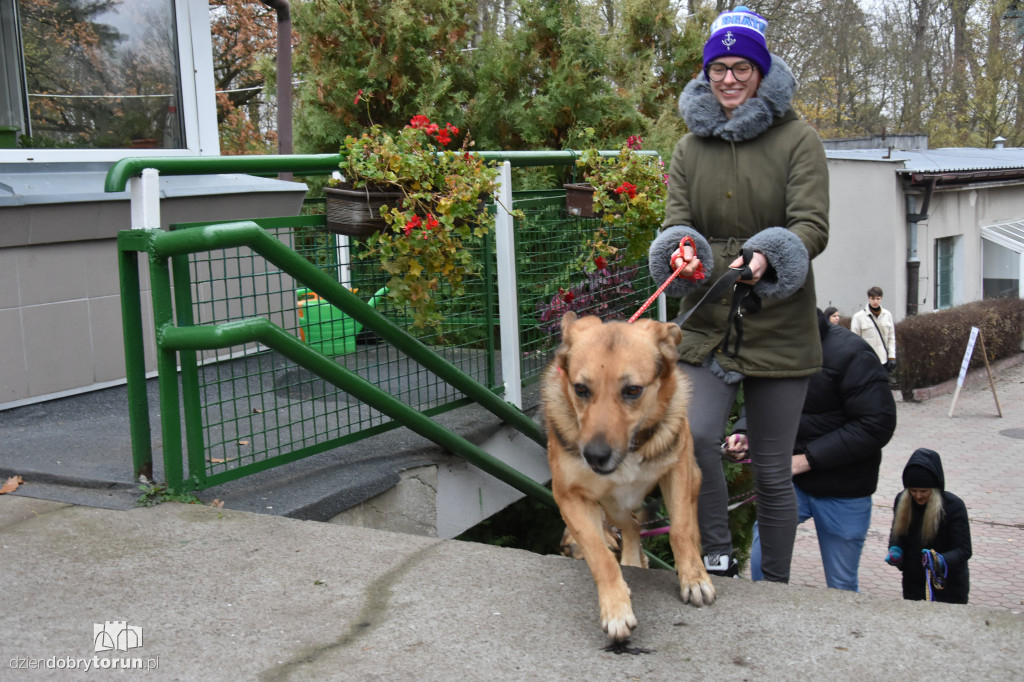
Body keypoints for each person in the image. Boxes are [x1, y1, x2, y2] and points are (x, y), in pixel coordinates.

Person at [648, 6, 829, 581]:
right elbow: (677, 221)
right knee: (694, 436)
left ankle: (774, 580)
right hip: (705, 320)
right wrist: (681, 249)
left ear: (761, 71)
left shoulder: (799, 140)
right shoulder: (687, 148)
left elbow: (811, 225)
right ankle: (716, 553)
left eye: (741, 67)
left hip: (779, 322)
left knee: (774, 470)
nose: (728, 78)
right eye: (718, 68)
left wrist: (767, 254)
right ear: (705, 75)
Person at [736, 309, 897, 590]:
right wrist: (745, 432)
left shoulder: (853, 354)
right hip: (790, 485)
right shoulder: (772, 348)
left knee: (841, 586)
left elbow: (877, 424)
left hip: (844, 489)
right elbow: (760, 398)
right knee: (763, 573)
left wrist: (806, 460)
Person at [886, 448, 972, 603]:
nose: (918, 496)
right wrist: (895, 548)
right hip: (913, 583)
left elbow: (964, 550)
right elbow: (897, 534)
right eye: (913, 490)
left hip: (948, 586)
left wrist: (939, 560)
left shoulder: (954, 506)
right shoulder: (902, 500)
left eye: (924, 491)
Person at [850, 286, 896, 372]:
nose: (875, 301)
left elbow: (891, 337)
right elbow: (855, 340)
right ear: (869, 298)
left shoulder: (887, 315)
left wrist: (892, 356)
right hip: (866, 360)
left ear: (881, 299)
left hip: (883, 359)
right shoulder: (858, 317)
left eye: (878, 298)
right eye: (873, 298)